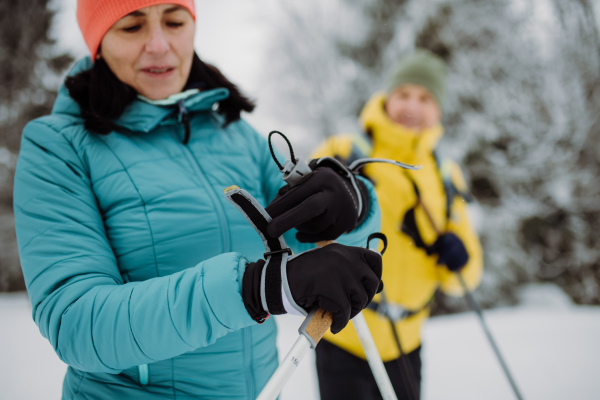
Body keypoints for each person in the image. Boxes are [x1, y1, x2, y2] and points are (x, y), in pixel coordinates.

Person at [13, 1, 384, 398]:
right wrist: (255, 290)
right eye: (132, 27)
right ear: (98, 42)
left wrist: (353, 204)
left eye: (174, 21)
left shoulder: (236, 136)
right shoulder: (58, 147)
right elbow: (78, 324)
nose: (158, 45)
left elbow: (316, 247)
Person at [311, 49, 484, 400]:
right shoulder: (344, 152)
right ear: (386, 97)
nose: (412, 106)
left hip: (408, 345)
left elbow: (464, 280)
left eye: (424, 97)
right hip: (346, 335)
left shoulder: (445, 174)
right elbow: (298, 229)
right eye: (403, 94)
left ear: (438, 108)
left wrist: (459, 259)